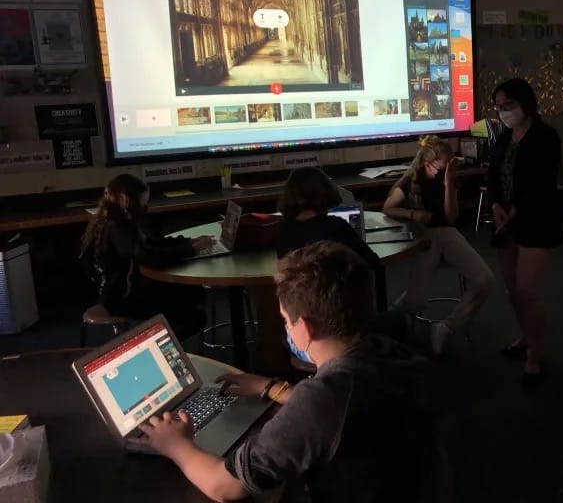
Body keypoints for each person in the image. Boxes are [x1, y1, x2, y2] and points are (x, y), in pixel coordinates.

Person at [139, 241, 443, 503]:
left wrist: (176, 446)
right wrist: (272, 388)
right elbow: (340, 410)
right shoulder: (388, 353)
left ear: (306, 329)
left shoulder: (322, 399)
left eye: (285, 320)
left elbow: (224, 486)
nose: (285, 327)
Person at [383, 134, 494, 355]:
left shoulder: (448, 179)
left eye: (447, 167)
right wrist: (413, 213)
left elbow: (451, 217)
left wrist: (448, 183)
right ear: (428, 164)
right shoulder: (411, 180)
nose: (444, 171)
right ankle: (397, 316)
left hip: (447, 233)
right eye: (441, 168)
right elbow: (388, 207)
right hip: (425, 236)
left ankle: (445, 327)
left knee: (484, 280)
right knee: (416, 301)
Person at [487, 78, 562, 384]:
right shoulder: (503, 138)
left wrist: (514, 210)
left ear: (525, 104)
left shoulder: (546, 136)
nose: (504, 112)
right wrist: (495, 206)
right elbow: (493, 175)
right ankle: (525, 337)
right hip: (505, 222)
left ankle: (536, 353)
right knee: (513, 292)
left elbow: (541, 182)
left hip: (535, 221)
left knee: (527, 292)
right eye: (499, 107)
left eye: (509, 106)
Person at [79, 173, 214, 339]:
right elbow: (150, 258)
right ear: (125, 199)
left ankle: (163, 332)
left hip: (129, 289)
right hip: (122, 299)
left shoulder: (118, 219)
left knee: (194, 292)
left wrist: (189, 242)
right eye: (142, 204)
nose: (145, 208)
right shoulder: (117, 228)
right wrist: (190, 250)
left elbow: (151, 244)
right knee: (194, 317)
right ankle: (154, 345)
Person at [275, 166, 387, 313]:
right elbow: (372, 261)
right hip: (337, 311)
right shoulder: (336, 226)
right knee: (400, 320)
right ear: (324, 193)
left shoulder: (283, 229)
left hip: (299, 311)